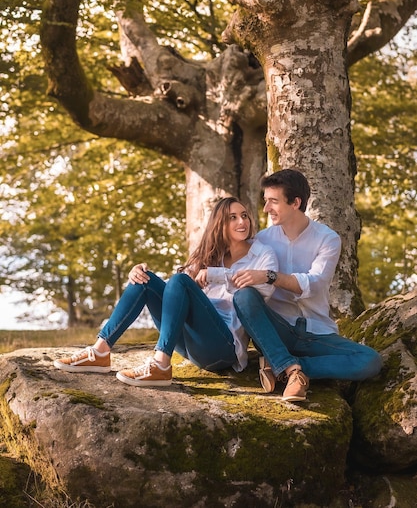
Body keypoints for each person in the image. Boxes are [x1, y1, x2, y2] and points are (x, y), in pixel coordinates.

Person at [54, 197, 278, 386]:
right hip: (190, 342)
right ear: (219, 223)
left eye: (245, 215)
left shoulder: (263, 254)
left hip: (221, 348)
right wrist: (138, 274)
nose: (242, 222)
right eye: (233, 217)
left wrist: (216, 275)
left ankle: (160, 365)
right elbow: (175, 288)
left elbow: (263, 294)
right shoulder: (210, 254)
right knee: (146, 279)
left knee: (180, 280)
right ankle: (100, 352)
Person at [231, 169, 383, 402]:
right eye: (265, 201)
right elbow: (227, 259)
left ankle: (284, 367)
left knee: (370, 361)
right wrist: (194, 270)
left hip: (316, 333)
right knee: (244, 296)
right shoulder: (262, 239)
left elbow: (315, 283)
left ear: (295, 203)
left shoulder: (327, 238)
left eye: (273, 201)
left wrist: (270, 276)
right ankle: (287, 366)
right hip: (276, 331)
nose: (266, 209)